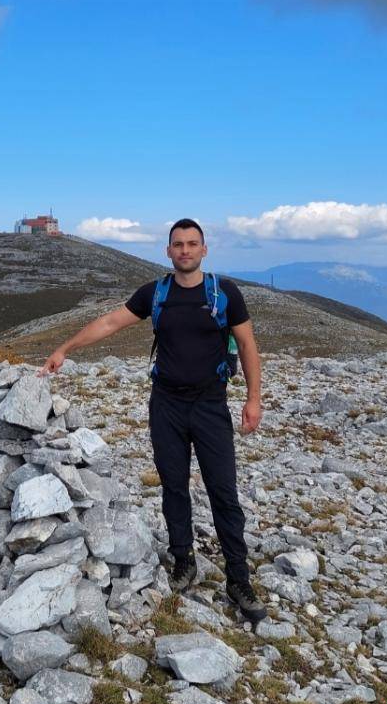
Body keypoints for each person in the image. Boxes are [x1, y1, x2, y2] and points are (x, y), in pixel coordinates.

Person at [39, 218, 266, 625]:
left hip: (211, 405)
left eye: (192, 244)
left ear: (204, 250)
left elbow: (247, 344)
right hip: (166, 405)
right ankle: (183, 561)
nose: (185, 250)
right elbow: (110, 322)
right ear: (168, 251)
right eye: (178, 244)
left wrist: (253, 399)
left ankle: (239, 579)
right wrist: (65, 348)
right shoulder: (155, 293)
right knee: (173, 486)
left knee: (223, 492)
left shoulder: (225, 293)